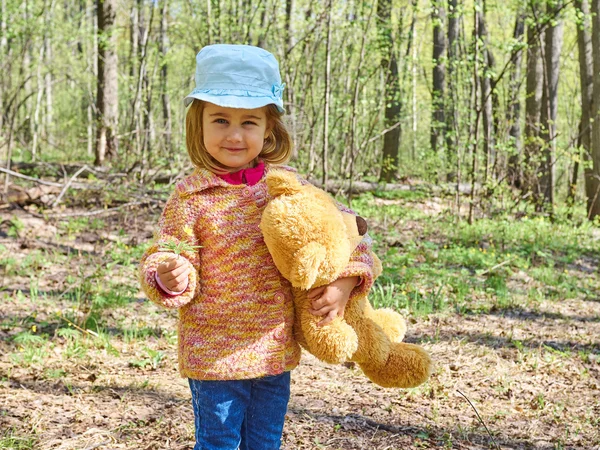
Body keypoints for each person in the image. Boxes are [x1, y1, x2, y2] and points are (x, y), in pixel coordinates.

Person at [139, 44, 376, 450]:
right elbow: (166, 250)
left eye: (248, 121)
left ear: (269, 128)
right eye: (220, 120)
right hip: (213, 352)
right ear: (199, 126)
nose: (234, 134)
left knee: (264, 441)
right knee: (218, 442)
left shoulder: (286, 188)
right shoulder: (191, 195)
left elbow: (349, 235)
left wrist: (344, 283)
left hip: (274, 348)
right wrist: (168, 274)